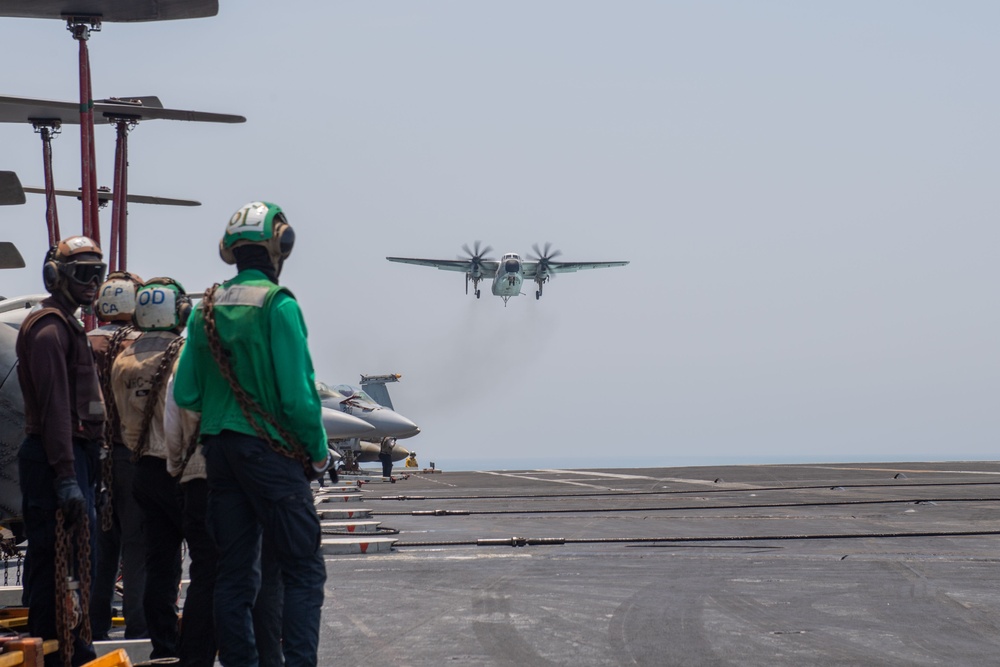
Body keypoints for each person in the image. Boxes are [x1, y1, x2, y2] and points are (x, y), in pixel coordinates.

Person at [173, 201, 331, 667]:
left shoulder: (205, 308)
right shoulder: (278, 305)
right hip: (272, 459)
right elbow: (299, 400)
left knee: (234, 574)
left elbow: (187, 393)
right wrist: (319, 457)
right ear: (281, 244)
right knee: (303, 569)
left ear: (230, 250)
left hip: (220, 456)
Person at [16, 236, 107, 666]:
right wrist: (68, 476)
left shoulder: (69, 327)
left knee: (70, 559)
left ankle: (69, 645)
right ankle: (56, 650)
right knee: (54, 561)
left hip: (72, 458)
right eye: (82, 273)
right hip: (57, 459)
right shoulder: (49, 331)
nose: (92, 283)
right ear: (57, 276)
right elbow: (55, 412)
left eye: (97, 273)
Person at [111, 278, 191, 660]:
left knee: (158, 562)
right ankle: (198, 640)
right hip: (179, 470)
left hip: (140, 468)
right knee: (210, 560)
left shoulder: (123, 359)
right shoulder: (184, 354)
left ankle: (164, 645)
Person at [88, 271, 148, 641]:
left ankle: (95, 624)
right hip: (132, 457)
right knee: (139, 546)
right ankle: (138, 627)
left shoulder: (82, 342)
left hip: (91, 457)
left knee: (99, 549)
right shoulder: (143, 345)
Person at [164, 359, 219, 666]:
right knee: (248, 574)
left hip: (194, 478)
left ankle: (195, 658)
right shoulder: (258, 347)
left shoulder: (186, 363)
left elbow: (171, 426)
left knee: (204, 575)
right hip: (245, 481)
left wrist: (176, 469)